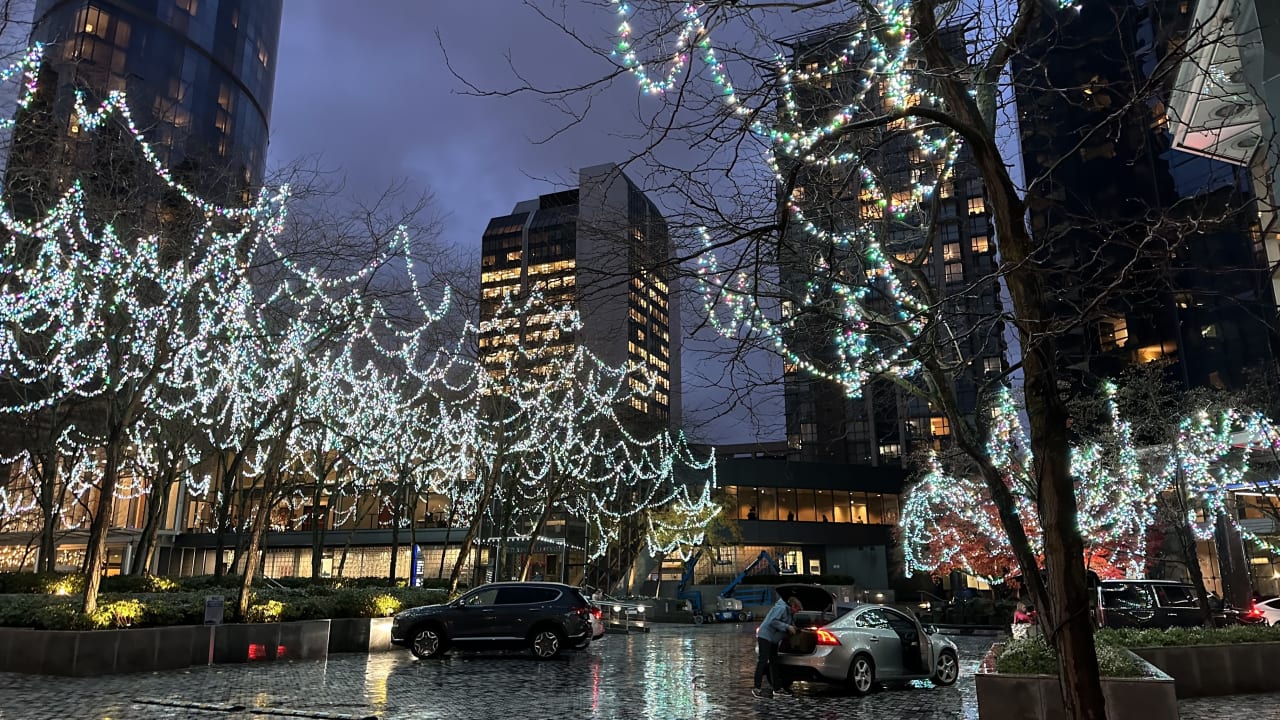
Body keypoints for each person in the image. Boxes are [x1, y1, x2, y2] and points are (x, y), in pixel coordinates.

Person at [753, 595, 802, 699]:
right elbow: (773, 621)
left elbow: (788, 623)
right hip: (765, 636)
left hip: (773, 639)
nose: (797, 612)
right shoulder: (782, 608)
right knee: (763, 660)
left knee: (774, 663)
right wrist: (787, 627)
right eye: (797, 609)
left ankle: (777, 688)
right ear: (793, 606)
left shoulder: (789, 612)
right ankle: (756, 688)